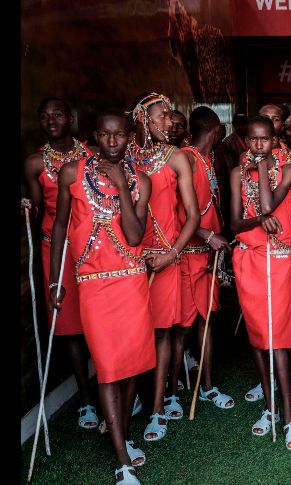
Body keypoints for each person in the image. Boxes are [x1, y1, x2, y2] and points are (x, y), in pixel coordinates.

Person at [49, 110, 154, 485]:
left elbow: (135, 236)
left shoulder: (140, 180)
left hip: (131, 282)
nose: (112, 142)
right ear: (94, 136)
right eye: (105, 135)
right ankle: (122, 460)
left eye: (120, 135)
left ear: (129, 137)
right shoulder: (71, 173)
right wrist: (54, 280)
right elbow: (59, 225)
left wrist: (123, 186)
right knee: (109, 367)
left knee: (130, 367)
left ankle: (122, 435)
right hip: (93, 284)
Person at [127, 93, 200, 441]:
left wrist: (172, 254)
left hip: (165, 257)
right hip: (128, 260)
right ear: (142, 118)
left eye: (171, 116)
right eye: (162, 116)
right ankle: (134, 398)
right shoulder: (122, 156)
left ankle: (157, 406)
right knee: (132, 332)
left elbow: (193, 215)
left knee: (161, 333)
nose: (169, 122)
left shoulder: (176, 157)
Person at [22, 97, 98, 430]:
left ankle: (113, 388)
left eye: (57, 114)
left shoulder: (92, 155)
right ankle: (86, 401)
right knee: (69, 328)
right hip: (56, 250)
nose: (51, 121)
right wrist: (28, 206)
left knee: (98, 319)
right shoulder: (34, 163)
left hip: (91, 247)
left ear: (71, 118)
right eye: (44, 116)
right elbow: (39, 205)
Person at [230, 116, 291, 450]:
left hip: (277, 259)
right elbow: (234, 224)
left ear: (275, 140)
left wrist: (260, 169)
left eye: (265, 139)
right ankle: (270, 407)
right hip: (248, 259)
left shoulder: (289, 169)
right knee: (259, 337)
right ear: (245, 141)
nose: (259, 145)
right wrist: (258, 220)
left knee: (278, 337)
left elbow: (270, 204)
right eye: (253, 140)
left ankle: (289, 416)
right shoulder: (236, 174)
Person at [176, 106, 234, 410]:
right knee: (183, 326)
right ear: (216, 130)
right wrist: (208, 235)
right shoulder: (186, 158)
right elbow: (175, 211)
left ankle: (208, 386)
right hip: (188, 255)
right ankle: (171, 393)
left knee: (207, 321)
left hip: (208, 256)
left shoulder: (207, 159)